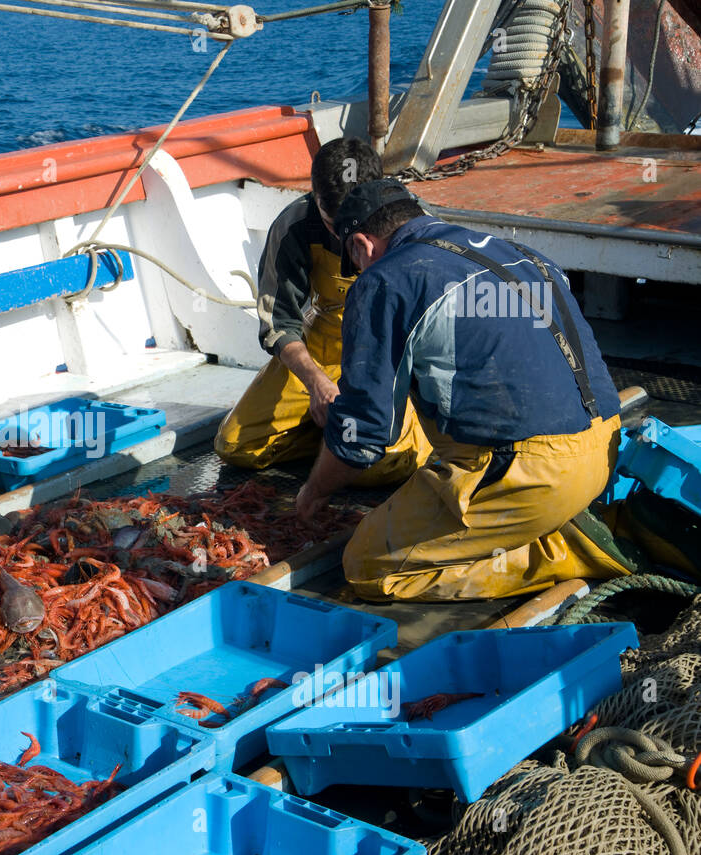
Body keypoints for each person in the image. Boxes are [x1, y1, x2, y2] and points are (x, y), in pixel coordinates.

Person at [295, 179, 635, 601]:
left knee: (367, 566)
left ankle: (562, 551)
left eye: (354, 261)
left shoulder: (386, 280)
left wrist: (315, 490)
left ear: (362, 245)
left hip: (534, 473)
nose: (359, 272)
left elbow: (362, 435)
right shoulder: (516, 251)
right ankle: (544, 517)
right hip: (605, 444)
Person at [214, 137, 430, 483]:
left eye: (356, 224)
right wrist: (316, 383)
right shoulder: (294, 226)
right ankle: (338, 430)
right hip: (324, 345)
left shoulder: (414, 223)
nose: (348, 237)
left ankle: (376, 431)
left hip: (392, 354)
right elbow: (279, 322)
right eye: (335, 224)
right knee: (238, 447)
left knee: (388, 463)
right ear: (315, 198)